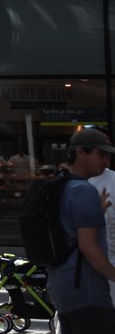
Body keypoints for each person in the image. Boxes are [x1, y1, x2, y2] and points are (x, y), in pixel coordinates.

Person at [50, 127, 115, 331]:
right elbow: (88, 246)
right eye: (100, 154)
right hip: (87, 291)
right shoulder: (83, 190)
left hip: (62, 288)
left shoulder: (58, 185)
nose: (105, 161)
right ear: (80, 153)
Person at [88, 140, 115, 306]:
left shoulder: (112, 180)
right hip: (85, 273)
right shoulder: (70, 185)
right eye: (101, 154)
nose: (105, 160)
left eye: (108, 155)